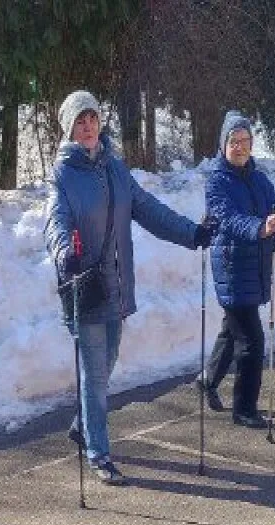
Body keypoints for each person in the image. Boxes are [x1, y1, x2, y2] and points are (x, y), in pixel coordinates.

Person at [46, 91, 214, 485]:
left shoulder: (116, 169)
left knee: (107, 364)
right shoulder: (62, 175)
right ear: (69, 129)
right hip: (84, 286)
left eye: (92, 119)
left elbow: (150, 210)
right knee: (94, 370)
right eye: (79, 122)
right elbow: (55, 221)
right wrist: (62, 254)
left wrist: (193, 233)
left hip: (117, 287)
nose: (87, 127)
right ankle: (98, 452)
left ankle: (83, 424)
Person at [196, 111, 275, 427]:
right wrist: (260, 228)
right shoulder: (216, 183)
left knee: (231, 330)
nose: (240, 147)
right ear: (223, 145)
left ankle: (207, 379)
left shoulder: (259, 179)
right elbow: (229, 220)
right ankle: (245, 408)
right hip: (233, 268)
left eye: (245, 141)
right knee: (251, 341)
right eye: (233, 141)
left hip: (257, 266)